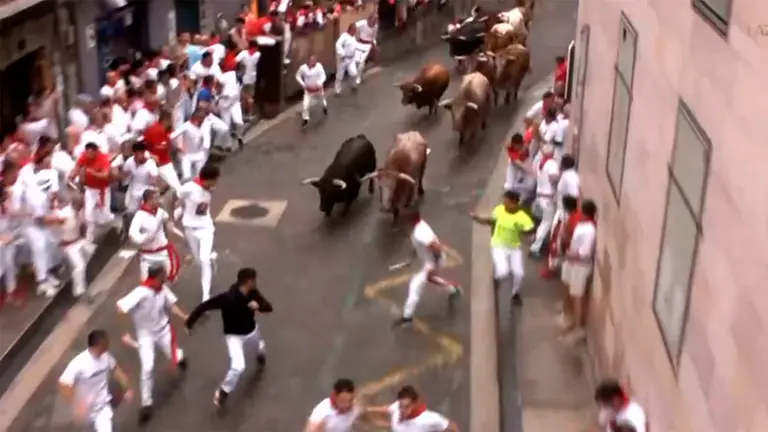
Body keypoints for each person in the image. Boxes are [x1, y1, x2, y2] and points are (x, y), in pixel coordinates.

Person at [185, 267, 273, 409]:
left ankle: (260, 351)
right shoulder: (228, 298)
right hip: (233, 337)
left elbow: (268, 307)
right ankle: (223, 391)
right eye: (254, 280)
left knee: (258, 346)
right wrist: (189, 323)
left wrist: (259, 306)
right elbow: (205, 306)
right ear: (248, 282)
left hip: (251, 332)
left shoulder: (253, 293)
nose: (256, 283)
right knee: (238, 366)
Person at [116, 264, 188, 425]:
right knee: (147, 367)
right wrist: (126, 331)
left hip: (163, 331)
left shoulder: (163, 290)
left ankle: (180, 357)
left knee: (174, 356)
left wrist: (186, 318)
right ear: (156, 276)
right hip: (145, 336)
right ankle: (146, 404)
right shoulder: (140, 292)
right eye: (163, 274)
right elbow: (121, 307)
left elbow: (172, 305)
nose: (166, 276)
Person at [394, 212, 462, 327]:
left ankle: (407, 316)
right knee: (430, 278)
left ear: (410, 219)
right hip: (429, 261)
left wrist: (434, 266)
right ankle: (453, 289)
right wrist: (410, 260)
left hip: (433, 260)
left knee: (415, 285)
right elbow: (417, 246)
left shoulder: (420, 232)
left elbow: (435, 247)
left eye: (403, 218)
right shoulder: (417, 227)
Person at [58, 330, 134, 432]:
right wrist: (76, 404)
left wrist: (127, 388)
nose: (108, 344)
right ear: (99, 345)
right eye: (106, 342)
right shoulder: (79, 362)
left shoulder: (106, 357)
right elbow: (63, 383)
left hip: (102, 407)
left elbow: (116, 370)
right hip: (86, 411)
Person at [470, 190, 534, 306]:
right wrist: (477, 218)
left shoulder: (522, 217)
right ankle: (497, 278)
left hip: (514, 248)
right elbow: (490, 221)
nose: (504, 202)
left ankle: (515, 294)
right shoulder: (499, 210)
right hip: (498, 246)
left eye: (506, 200)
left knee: (519, 273)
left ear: (514, 202)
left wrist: (529, 239)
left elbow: (529, 232)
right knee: (503, 271)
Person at [176, 163, 220, 301]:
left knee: (204, 260)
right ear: (207, 179)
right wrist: (178, 209)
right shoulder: (189, 187)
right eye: (215, 179)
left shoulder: (210, 187)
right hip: (190, 227)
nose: (216, 182)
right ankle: (210, 262)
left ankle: (205, 296)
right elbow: (177, 195)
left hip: (206, 227)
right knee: (199, 262)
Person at [559, 199, 597, 342]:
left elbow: (585, 253)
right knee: (568, 288)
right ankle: (568, 317)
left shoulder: (590, 231)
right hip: (572, 262)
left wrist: (569, 255)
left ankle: (578, 329)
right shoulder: (583, 225)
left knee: (578, 297)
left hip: (580, 266)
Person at [69, 142, 113, 255]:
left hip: (103, 190)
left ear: (95, 151)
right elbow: (77, 167)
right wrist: (71, 175)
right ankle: (89, 238)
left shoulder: (103, 158)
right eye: (87, 153)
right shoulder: (84, 156)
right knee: (88, 214)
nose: (88, 156)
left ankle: (106, 219)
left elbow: (105, 175)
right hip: (90, 189)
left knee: (104, 218)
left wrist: (92, 172)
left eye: (90, 153)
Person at [129, 188, 181, 282]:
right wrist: (143, 239)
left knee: (172, 278)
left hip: (163, 252)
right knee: (145, 283)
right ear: (149, 200)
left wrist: (174, 221)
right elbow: (132, 232)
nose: (159, 200)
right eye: (156, 198)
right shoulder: (139, 216)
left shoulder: (160, 212)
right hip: (147, 256)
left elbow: (168, 219)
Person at [366, 385, 459, 431]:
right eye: (401, 406)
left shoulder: (429, 419)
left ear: (414, 404)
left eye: (407, 407)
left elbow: (452, 427)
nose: (402, 410)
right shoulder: (397, 408)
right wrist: (367, 409)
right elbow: (387, 408)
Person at [52, 195, 90, 298]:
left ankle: (72, 271)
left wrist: (83, 236)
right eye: (79, 205)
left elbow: (83, 225)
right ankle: (79, 290)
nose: (81, 207)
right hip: (67, 245)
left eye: (82, 205)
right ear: (73, 204)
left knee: (90, 250)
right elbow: (53, 225)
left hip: (77, 241)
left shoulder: (81, 212)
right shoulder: (64, 214)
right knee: (80, 265)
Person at [529, 144, 559, 256]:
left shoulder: (540, 162)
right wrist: (559, 180)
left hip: (540, 195)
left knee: (543, 222)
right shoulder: (552, 163)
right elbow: (553, 178)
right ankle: (535, 247)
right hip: (547, 198)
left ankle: (536, 239)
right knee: (546, 223)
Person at [143, 110, 182, 193]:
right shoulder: (152, 130)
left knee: (177, 188)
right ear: (165, 119)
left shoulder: (169, 130)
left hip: (165, 163)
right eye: (171, 119)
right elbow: (140, 146)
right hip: (151, 164)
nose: (172, 122)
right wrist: (150, 155)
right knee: (153, 191)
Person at [121, 142, 158, 216]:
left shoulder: (150, 163)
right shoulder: (130, 162)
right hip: (134, 188)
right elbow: (124, 174)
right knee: (131, 212)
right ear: (134, 153)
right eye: (138, 153)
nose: (141, 155)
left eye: (142, 153)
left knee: (145, 212)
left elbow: (155, 179)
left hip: (147, 189)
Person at [296, 54, 328, 127]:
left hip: (318, 89)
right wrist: (303, 84)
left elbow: (323, 76)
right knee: (305, 105)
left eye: (314, 60)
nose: (313, 62)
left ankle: (324, 107)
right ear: (308, 60)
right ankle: (305, 118)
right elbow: (298, 76)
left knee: (322, 101)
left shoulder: (319, 66)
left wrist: (319, 83)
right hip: (308, 90)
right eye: (311, 60)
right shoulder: (303, 68)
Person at [236, 39, 261, 119]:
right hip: (248, 79)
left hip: (247, 79)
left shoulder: (243, 54)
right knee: (248, 98)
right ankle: (249, 115)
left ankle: (245, 114)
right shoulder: (257, 54)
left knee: (245, 98)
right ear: (254, 47)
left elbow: (235, 61)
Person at [354, 14, 379, 87]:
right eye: (373, 20)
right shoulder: (363, 23)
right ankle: (356, 75)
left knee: (362, 61)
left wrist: (374, 45)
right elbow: (354, 26)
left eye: (376, 20)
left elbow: (373, 37)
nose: (374, 22)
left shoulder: (375, 27)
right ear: (369, 19)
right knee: (357, 61)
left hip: (368, 45)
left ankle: (358, 78)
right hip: (360, 42)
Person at [335, 23, 359, 95]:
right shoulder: (344, 36)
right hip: (344, 59)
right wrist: (342, 53)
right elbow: (338, 45)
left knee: (354, 73)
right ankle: (337, 90)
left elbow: (355, 48)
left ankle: (353, 85)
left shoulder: (353, 37)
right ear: (350, 29)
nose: (355, 31)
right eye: (354, 30)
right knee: (340, 76)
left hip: (351, 59)